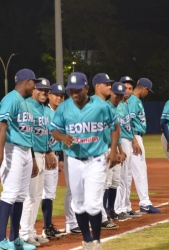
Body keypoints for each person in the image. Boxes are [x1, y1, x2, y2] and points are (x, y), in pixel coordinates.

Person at [50, 72, 119, 250]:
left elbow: (115, 126)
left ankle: (96, 241)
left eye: (78, 90)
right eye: (71, 90)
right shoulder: (64, 107)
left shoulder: (100, 106)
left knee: (93, 203)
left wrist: (113, 150)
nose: (74, 93)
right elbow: (54, 130)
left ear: (86, 88)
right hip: (73, 160)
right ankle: (87, 239)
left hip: (96, 159)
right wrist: (63, 137)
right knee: (78, 203)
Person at [0, 69, 39, 250]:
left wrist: (32, 158)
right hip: (12, 149)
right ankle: (1, 240)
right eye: (34, 83)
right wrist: (0, 151)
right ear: (27, 82)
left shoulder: (26, 103)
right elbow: (2, 124)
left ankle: (15, 239)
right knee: (10, 193)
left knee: (20, 196)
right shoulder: (11, 99)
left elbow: (28, 132)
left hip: (25, 151)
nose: (35, 86)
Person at [19, 78, 60, 247]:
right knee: (29, 196)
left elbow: (43, 134)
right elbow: (27, 134)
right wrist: (33, 157)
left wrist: (49, 151)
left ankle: (31, 232)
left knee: (36, 196)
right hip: (32, 154)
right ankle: (23, 234)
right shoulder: (27, 106)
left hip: (42, 153)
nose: (43, 92)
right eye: (40, 89)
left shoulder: (43, 109)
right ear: (33, 90)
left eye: (46, 90)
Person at [46, 83, 82, 236]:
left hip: (60, 154)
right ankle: (31, 230)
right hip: (43, 154)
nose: (59, 97)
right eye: (56, 94)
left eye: (61, 95)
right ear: (49, 95)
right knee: (35, 194)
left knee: (67, 188)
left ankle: (70, 223)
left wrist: (59, 157)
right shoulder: (44, 111)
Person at [126, 78, 162, 213]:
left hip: (132, 137)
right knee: (139, 171)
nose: (148, 94)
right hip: (134, 136)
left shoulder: (133, 100)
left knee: (129, 173)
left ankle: (126, 206)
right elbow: (128, 121)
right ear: (144, 89)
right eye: (148, 91)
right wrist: (134, 140)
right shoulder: (134, 101)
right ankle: (145, 203)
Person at [92, 73, 121, 228]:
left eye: (110, 84)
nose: (110, 86)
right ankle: (99, 218)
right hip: (95, 151)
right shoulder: (93, 104)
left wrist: (113, 150)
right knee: (98, 185)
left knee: (103, 184)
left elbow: (116, 128)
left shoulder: (105, 105)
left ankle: (101, 216)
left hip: (105, 149)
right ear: (97, 86)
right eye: (106, 84)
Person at [110, 81, 141, 221]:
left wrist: (134, 141)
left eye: (128, 90)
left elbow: (128, 125)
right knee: (121, 177)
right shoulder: (116, 106)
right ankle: (118, 208)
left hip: (128, 140)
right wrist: (118, 147)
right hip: (121, 141)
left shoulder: (126, 105)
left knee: (127, 177)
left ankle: (125, 206)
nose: (127, 92)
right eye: (124, 90)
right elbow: (116, 129)